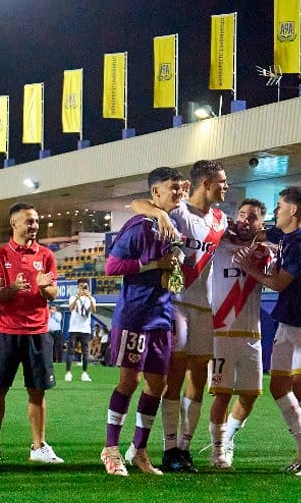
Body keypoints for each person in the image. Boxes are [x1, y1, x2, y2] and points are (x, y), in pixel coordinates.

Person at [131, 159, 229, 473]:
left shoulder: (220, 219)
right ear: (206, 183)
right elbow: (136, 203)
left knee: (199, 377)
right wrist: (158, 212)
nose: (226, 187)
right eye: (222, 182)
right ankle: (169, 447)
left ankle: (185, 448)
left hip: (204, 305)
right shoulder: (178, 211)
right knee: (174, 377)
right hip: (176, 301)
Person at [238, 187, 301, 476]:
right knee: (278, 387)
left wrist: (247, 267)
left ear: (292, 211)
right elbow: (261, 234)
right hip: (288, 321)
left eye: (279, 206)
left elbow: (278, 284)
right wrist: (244, 229)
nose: (275, 211)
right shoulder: (286, 235)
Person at [99, 167, 184, 476]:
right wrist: (152, 264)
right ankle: (110, 449)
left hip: (161, 317)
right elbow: (111, 266)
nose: (177, 192)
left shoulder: (173, 223)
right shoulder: (139, 226)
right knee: (129, 382)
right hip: (134, 315)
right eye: (170, 188)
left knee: (156, 385)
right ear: (155, 193)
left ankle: (139, 449)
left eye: (179, 187)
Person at [0, 203, 63, 464]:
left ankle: (38, 447)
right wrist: (14, 288)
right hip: (6, 332)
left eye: (36, 221)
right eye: (29, 221)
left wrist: (43, 288)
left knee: (37, 391)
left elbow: (52, 294)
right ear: (14, 224)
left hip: (37, 332)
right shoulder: (0, 255)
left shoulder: (47, 255)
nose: (34, 226)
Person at [206, 197, 269, 469]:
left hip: (251, 333)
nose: (245, 219)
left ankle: (228, 437)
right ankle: (218, 451)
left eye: (252, 216)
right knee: (221, 394)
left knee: (250, 395)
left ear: (261, 223)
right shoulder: (221, 245)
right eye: (242, 214)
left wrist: (263, 238)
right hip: (221, 331)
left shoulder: (266, 252)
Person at [64, 280, 95, 381]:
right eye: (81, 286)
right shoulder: (73, 298)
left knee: (85, 352)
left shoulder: (91, 298)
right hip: (74, 328)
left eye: (85, 286)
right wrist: (78, 297)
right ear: (78, 287)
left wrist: (89, 297)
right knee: (71, 351)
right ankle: (68, 372)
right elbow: (71, 308)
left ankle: (84, 373)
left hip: (85, 329)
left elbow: (94, 310)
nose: (83, 288)